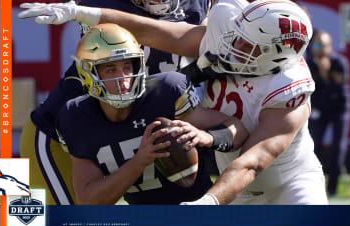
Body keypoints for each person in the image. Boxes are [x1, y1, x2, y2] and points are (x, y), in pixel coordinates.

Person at [18, 0, 328, 205]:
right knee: (26, 217)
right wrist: (81, 11)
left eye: (247, 42)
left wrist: (207, 192)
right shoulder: (75, 112)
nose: (233, 42)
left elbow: (248, 152)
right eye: (235, 33)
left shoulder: (286, 86)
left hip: (153, 129)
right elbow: (152, 30)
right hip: (61, 132)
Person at [18, 0, 210, 205]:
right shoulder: (104, 5)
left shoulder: (197, 4)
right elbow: (166, 36)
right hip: (62, 131)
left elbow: (199, 45)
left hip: (130, 129)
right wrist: (92, 13)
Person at [56, 23, 247, 204]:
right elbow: (89, 201)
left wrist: (206, 137)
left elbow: (239, 129)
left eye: (127, 67)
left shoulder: (166, 92)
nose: (123, 78)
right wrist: (139, 161)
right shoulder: (76, 117)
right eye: (111, 69)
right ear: (88, 73)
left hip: (198, 209)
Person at [305, 30, 350, 196]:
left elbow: (340, 84)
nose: (318, 48)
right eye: (315, 45)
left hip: (339, 109)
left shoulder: (340, 62)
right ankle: (314, 185)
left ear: (330, 47)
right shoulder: (308, 63)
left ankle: (332, 188)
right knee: (313, 145)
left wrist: (327, 73)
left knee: (338, 148)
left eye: (321, 45)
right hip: (319, 108)